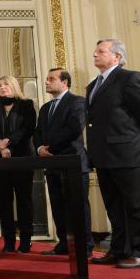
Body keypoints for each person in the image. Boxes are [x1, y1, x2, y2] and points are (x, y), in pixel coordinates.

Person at [86, 39, 140, 269]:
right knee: (114, 208)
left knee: (137, 206)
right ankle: (119, 250)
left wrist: (137, 141)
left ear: (117, 56)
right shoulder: (92, 85)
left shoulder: (130, 78)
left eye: (101, 51)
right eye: (95, 51)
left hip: (130, 153)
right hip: (104, 156)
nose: (95, 55)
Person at [34, 68, 94, 257]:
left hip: (73, 162)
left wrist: (49, 149)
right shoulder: (45, 108)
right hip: (52, 165)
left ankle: (85, 245)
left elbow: (74, 128)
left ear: (64, 82)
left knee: (77, 206)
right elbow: (37, 133)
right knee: (58, 205)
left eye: (51, 79)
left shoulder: (77, 102)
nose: (47, 82)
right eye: (47, 79)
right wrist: (39, 149)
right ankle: (64, 243)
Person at [0, 76, 36, 253]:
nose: (2, 87)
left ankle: (26, 240)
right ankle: (8, 241)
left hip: (22, 158)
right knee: (4, 201)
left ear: (14, 86)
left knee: (24, 200)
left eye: (6, 84)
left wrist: (8, 142)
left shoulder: (27, 105)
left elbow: (28, 128)